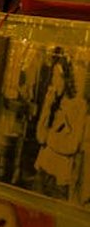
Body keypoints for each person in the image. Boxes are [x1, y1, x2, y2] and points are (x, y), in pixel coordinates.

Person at [33, 51, 86, 200]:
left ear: (68, 79)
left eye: (58, 77)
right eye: (53, 77)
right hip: (42, 169)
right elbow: (40, 136)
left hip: (59, 179)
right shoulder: (53, 101)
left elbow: (72, 145)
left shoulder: (79, 107)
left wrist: (50, 138)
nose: (54, 82)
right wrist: (47, 106)